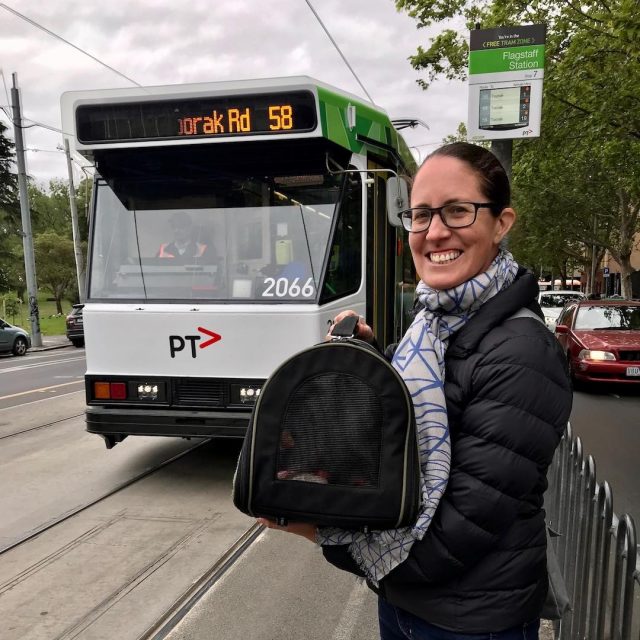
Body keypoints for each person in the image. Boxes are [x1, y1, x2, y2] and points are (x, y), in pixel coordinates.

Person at [257, 142, 573, 639]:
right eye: (421, 214)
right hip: (411, 606)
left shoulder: (521, 352)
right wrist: (374, 364)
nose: (435, 231)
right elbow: (426, 425)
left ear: (501, 222)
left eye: (458, 211)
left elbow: (458, 535)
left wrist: (326, 536)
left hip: (471, 623)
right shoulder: (435, 322)